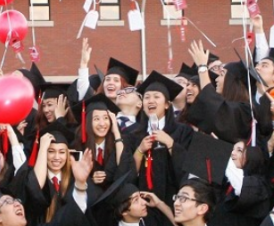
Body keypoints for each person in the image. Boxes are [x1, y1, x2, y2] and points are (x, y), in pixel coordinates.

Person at [125, 72, 193, 209]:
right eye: (147, 97)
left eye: (156, 97)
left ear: (167, 105)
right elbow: (126, 174)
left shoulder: (182, 131)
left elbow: (188, 168)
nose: (151, 101)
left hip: (173, 199)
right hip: (142, 203)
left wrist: (170, 143)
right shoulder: (132, 135)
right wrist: (140, 150)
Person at [73, 94, 126, 189]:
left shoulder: (118, 144)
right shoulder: (78, 147)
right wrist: (89, 179)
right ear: (88, 122)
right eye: (96, 119)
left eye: (106, 118)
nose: (102, 123)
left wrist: (116, 132)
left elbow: (124, 167)